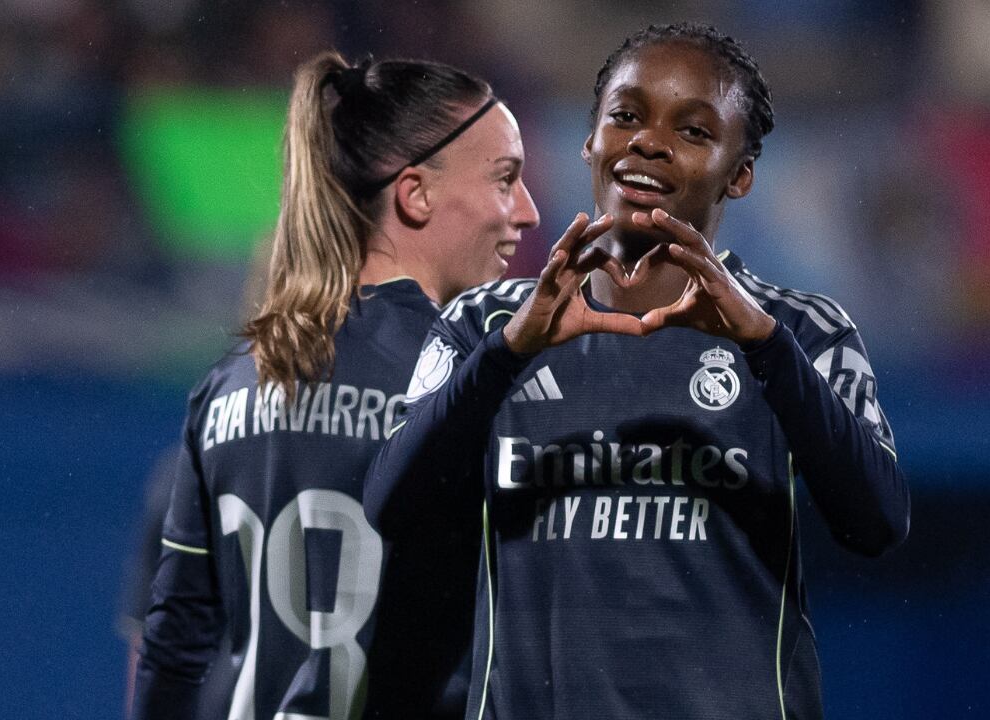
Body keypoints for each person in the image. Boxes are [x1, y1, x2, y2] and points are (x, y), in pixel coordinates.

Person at [366, 22, 909, 720]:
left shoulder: (800, 331)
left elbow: (877, 524)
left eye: (693, 130)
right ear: (589, 140)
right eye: (625, 116)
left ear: (740, 174)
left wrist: (767, 350)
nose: (648, 142)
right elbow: (391, 505)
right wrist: (507, 355)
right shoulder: (485, 325)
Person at [133, 50, 540, 720]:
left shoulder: (227, 386)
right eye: (504, 179)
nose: (526, 212)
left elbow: (174, 648)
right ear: (415, 194)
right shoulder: (472, 385)